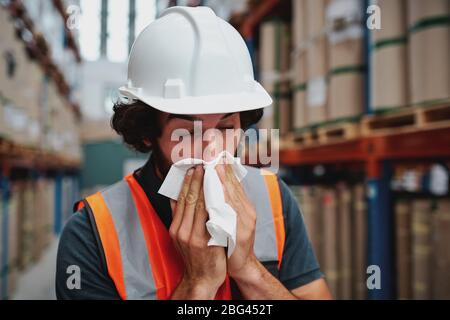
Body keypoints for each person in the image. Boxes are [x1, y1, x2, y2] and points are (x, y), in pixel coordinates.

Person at [56, 6, 331, 300]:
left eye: (226, 128)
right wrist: (197, 285)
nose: (212, 150)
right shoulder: (93, 233)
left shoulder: (274, 200)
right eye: (187, 133)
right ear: (148, 133)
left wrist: (250, 271)